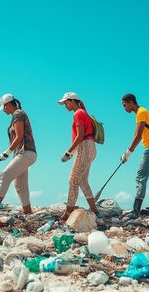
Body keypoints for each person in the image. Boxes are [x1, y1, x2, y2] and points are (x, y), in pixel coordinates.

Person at [0, 94, 37, 214]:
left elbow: (19, 136)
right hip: (25, 154)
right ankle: (28, 212)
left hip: (25, 152)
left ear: (8, 105)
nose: (4, 110)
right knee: (21, 185)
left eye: (4, 107)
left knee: (5, 176)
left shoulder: (18, 114)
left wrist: (7, 152)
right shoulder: (17, 114)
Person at [58, 92, 98, 220]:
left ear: (72, 101)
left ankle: (67, 213)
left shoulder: (78, 113)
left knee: (73, 180)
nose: (65, 105)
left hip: (85, 147)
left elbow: (80, 136)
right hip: (91, 147)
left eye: (66, 103)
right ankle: (95, 211)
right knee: (82, 180)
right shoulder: (83, 112)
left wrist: (68, 152)